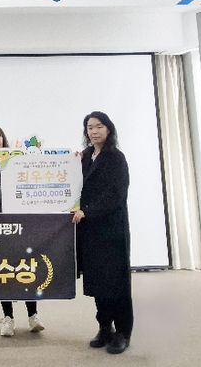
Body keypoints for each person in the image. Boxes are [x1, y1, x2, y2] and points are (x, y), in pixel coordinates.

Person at [72, 111, 132, 355]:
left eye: (99, 126)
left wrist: (87, 211)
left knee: (116, 284)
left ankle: (123, 333)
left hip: (111, 230)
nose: (94, 131)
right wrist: (69, 164)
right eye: (90, 127)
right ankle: (105, 328)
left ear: (109, 129)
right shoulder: (85, 156)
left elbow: (116, 195)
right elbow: (74, 185)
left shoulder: (116, 157)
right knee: (98, 283)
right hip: (90, 232)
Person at [0, 123, 45, 337]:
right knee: (3, 272)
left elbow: (29, 186)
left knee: (26, 268)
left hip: (20, 224)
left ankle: (33, 315)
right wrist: (7, 191)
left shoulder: (17, 160)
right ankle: (8, 318)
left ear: (3, 139)